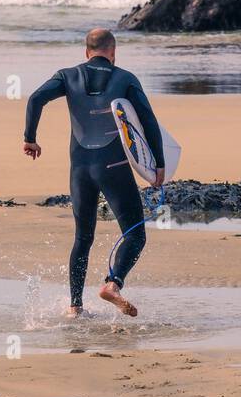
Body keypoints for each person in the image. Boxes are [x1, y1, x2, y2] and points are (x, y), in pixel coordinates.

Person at [22, 28, 164, 317]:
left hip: (80, 170)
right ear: (113, 52)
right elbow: (147, 120)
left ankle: (75, 307)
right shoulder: (125, 79)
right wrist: (158, 163)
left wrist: (30, 138)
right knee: (135, 235)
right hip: (114, 167)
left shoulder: (67, 75)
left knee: (83, 238)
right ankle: (113, 285)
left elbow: (36, 98)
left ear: (86, 52)